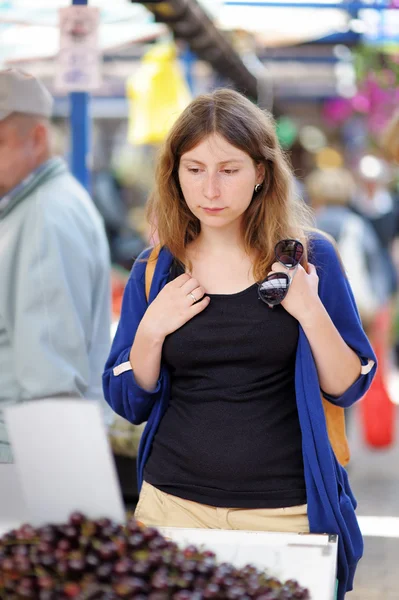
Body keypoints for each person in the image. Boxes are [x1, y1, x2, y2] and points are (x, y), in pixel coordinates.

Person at [103, 89, 377, 600]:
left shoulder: (310, 259)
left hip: (287, 517)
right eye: (194, 169)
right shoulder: (154, 270)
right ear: (174, 173)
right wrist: (150, 330)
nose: (210, 188)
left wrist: (310, 310)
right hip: (171, 509)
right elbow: (127, 401)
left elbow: (348, 385)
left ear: (261, 172)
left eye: (229, 169)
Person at [0, 69, 113, 463]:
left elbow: (52, 381)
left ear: (38, 138)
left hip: (24, 462)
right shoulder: (33, 207)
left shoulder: (45, 218)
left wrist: (51, 503)